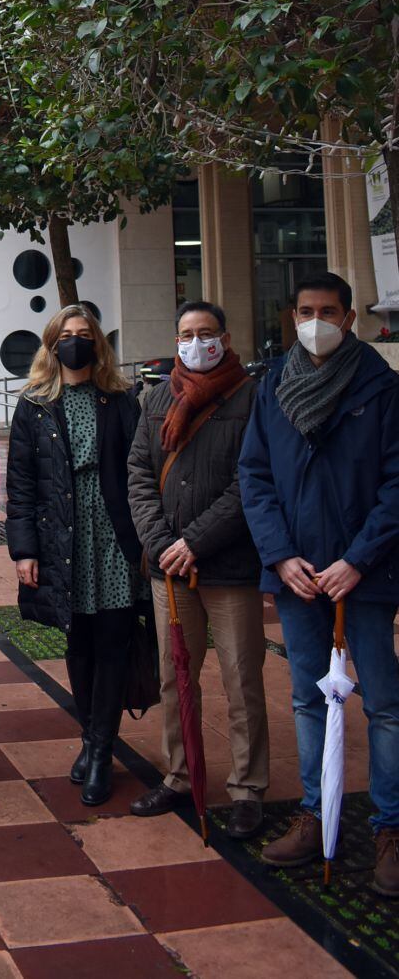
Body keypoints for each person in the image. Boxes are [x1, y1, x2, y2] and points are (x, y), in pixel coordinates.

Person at [240, 272, 399, 895]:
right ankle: (315, 813)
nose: (315, 321)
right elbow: (254, 477)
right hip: (300, 578)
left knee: (383, 703)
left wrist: (358, 560)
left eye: (327, 311)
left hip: (367, 571)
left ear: (350, 317)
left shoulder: (381, 387)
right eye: (305, 311)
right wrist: (281, 558)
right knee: (308, 698)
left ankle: (389, 825)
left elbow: (394, 485)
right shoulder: (273, 385)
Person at [128, 300, 268, 838]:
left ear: (225, 339)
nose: (195, 342)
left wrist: (196, 541)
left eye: (206, 333)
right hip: (169, 568)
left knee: (241, 679)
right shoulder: (156, 398)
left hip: (229, 567)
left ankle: (247, 789)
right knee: (174, 675)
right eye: (186, 333)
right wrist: (163, 543)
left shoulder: (251, 396)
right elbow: (139, 471)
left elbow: (250, 481)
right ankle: (180, 775)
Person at [6, 305, 141, 806]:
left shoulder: (122, 399)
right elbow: (20, 485)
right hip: (60, 535)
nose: (76, 342)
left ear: (98, 344)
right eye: (67, 335)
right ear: (51, 343)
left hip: (112, 531)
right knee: (78, 642)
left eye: (85, 335)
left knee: (113, 641)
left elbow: (140, 469)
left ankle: (102, 751)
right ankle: (91, 737)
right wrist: (23, 549)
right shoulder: (34, 403)